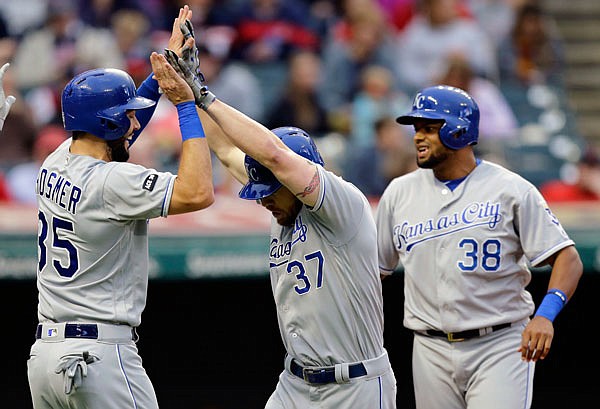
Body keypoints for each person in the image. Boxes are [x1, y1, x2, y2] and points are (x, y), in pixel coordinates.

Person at [167, 17, 397, 408]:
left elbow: (273, 154)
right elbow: (225, 150)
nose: (263, 199)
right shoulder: (280, 202)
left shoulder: (342, 204)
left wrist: (205, 95)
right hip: (294, 382)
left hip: (354, 384)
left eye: (272, 189)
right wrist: (189, 90)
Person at [27, 6, 215, 409]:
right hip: (100, 358)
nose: (134, 122)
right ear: (108, 124)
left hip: (44, 358)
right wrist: (184, 104)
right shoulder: (113, 183)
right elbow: (198, 192)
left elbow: (114, 141)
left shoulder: (56, 160)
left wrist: (162, 71)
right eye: (127, 116)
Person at [374, 85, 583, 408]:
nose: (418, 137)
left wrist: (545, 316)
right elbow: (376, 272)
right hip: (429, 347)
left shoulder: (509, 189)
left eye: (430, 128)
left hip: (499, 343)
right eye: (417, 129)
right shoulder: (399, 193)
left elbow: (567, 258)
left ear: (459, 131)